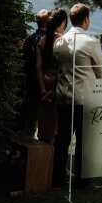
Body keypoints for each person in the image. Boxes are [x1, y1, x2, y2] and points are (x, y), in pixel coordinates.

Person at [53, 4, 102, 188]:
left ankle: (57, 179)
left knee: (62, 140)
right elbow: (101, 72)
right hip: (85, 98)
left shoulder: (59, 42)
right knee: (85, 142)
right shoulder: (91, 42)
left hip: (63, 96)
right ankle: (82, 182)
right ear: (85, 19)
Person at [35, 8, 66, 144]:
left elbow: (38, 68)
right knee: (56, 125)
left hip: (43, 85)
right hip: (57, 86)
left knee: (43, 124)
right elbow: (63, 69)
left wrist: (42, 89)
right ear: (64, 22)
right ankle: (53, 160)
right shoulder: (63, 41)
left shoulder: (41, 41)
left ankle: (42, 159)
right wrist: (53, 90)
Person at [21, 9, 48, 137]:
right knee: (46, 126)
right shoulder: (48, 41)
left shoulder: (29, 39)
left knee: (29, 124)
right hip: (45, 85)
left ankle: (27, 153)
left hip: (29, 84)